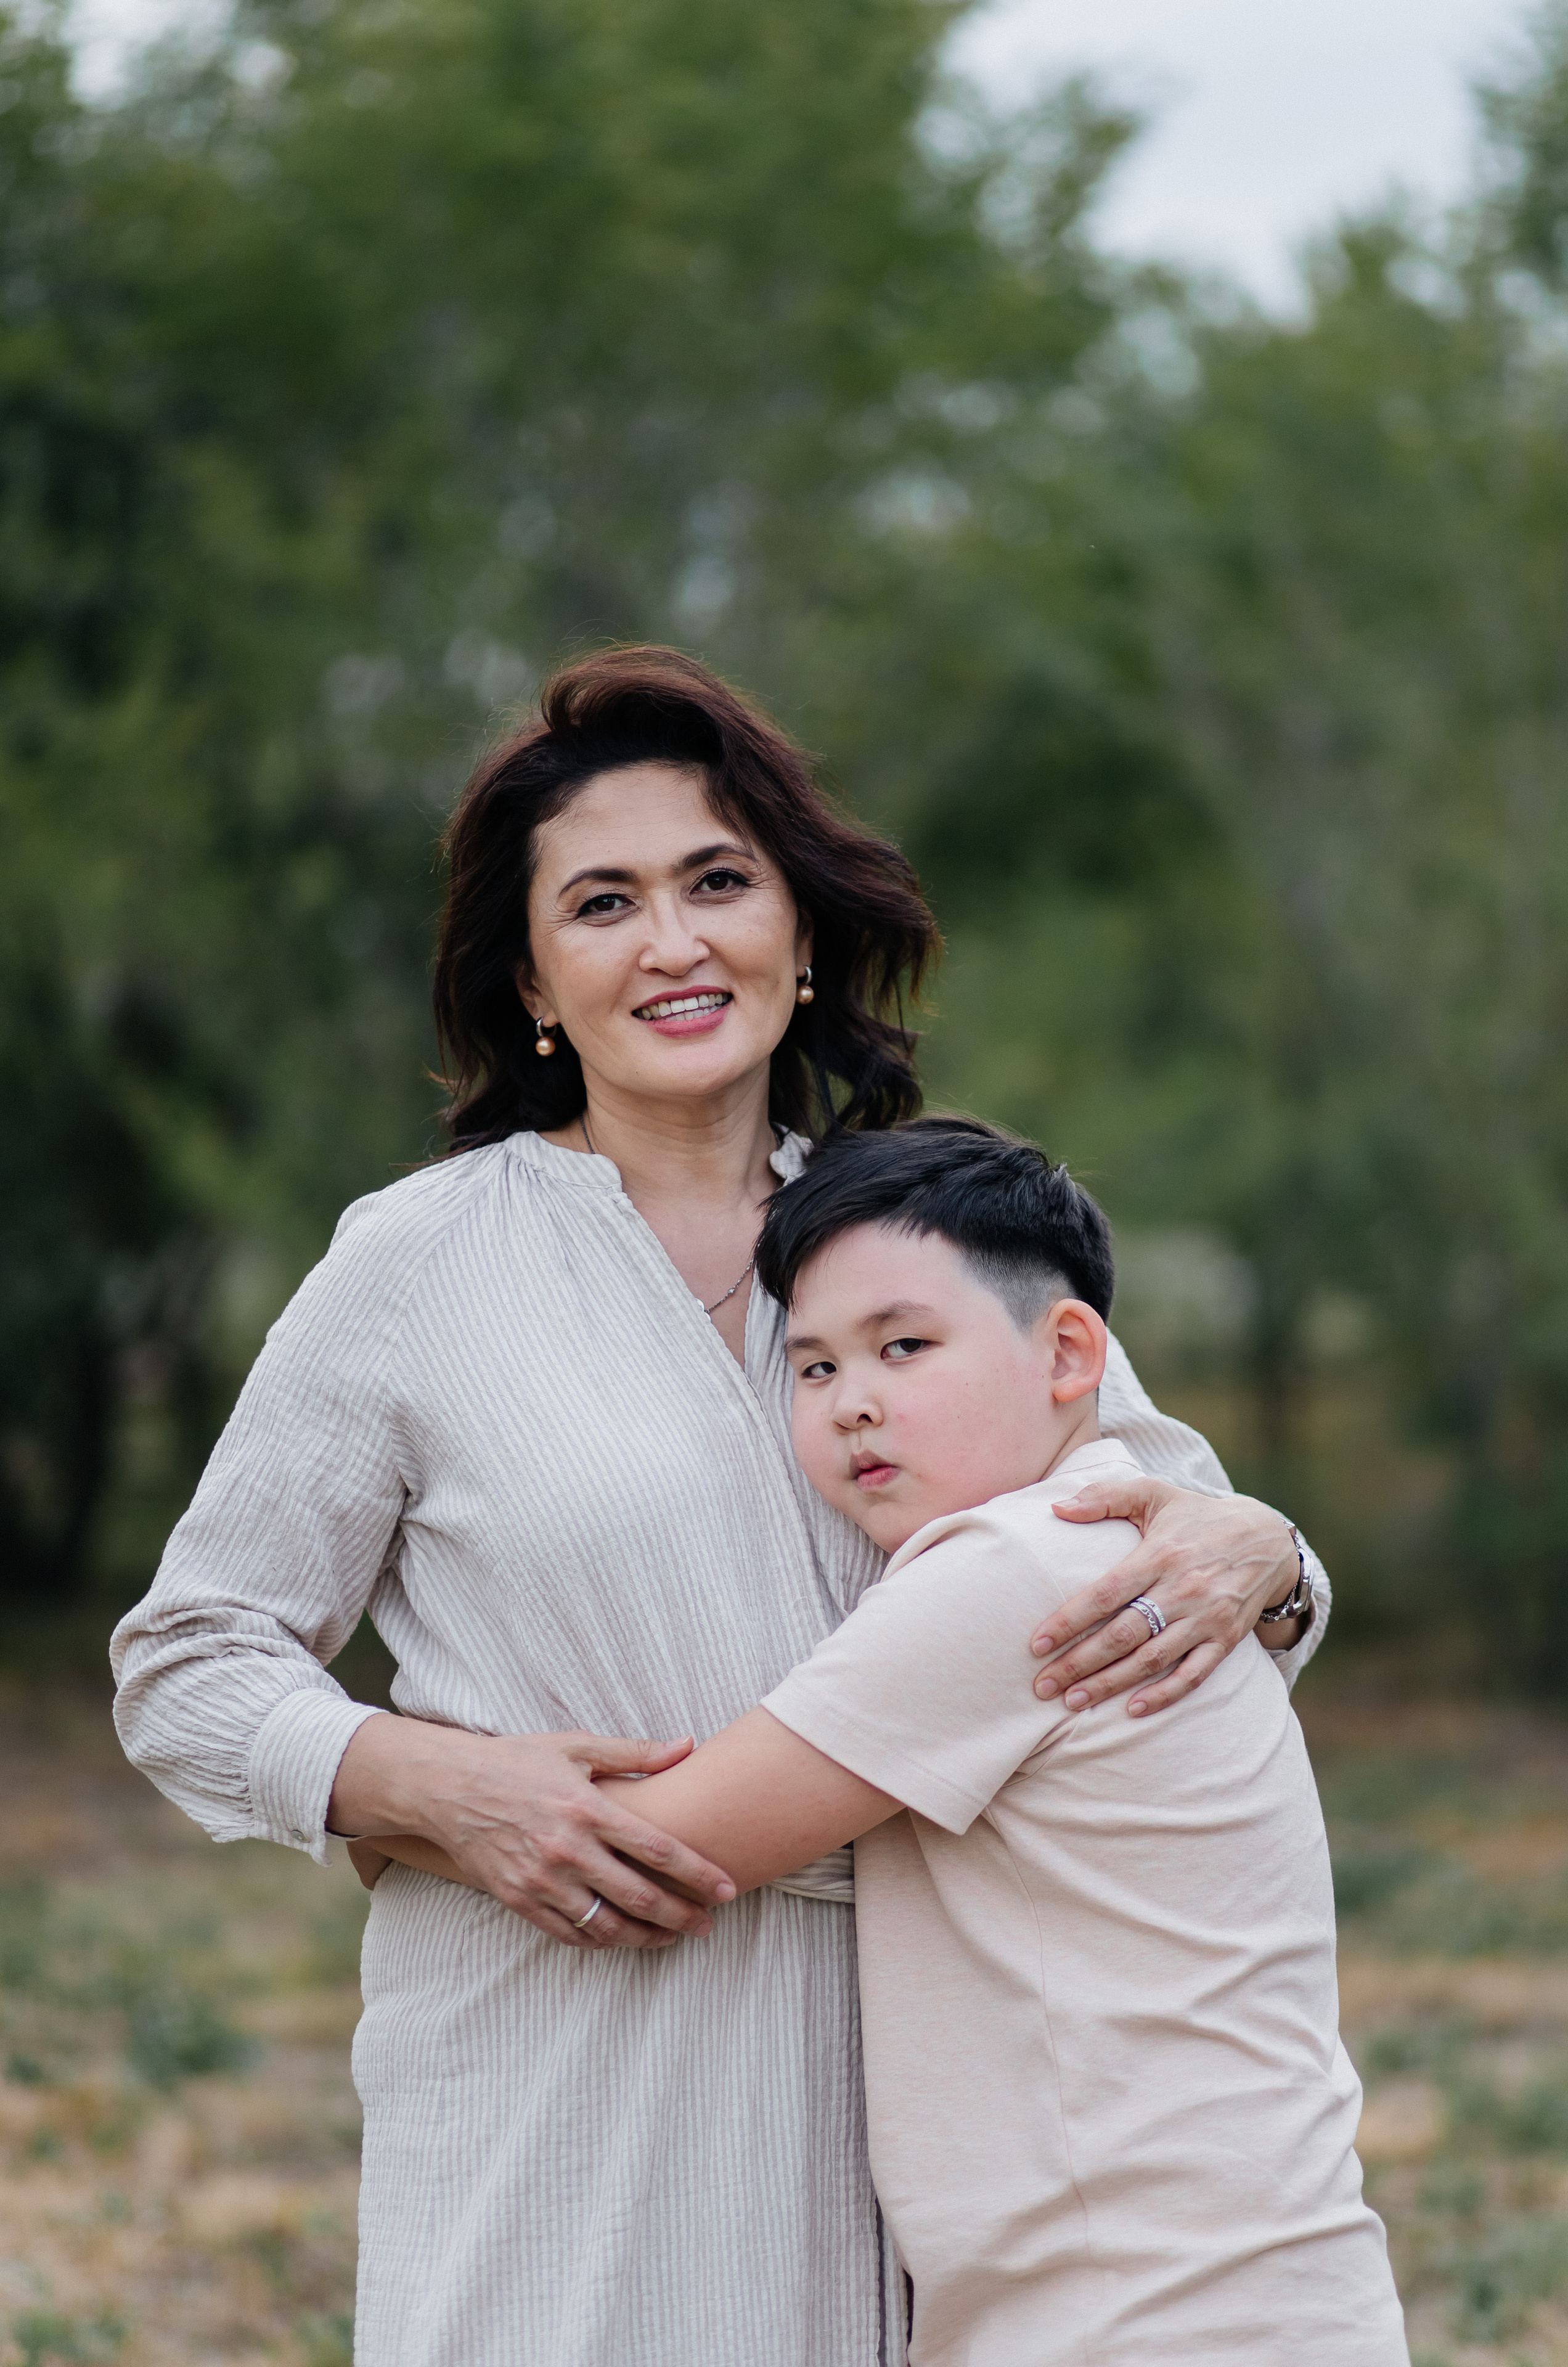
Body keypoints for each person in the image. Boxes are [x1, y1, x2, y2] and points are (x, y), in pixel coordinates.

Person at [110, 647, 1330, 2367]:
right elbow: (192, 1658)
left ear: (802, 933)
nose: (673, 943)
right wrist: (433, 1788)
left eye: (718, 882)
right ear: (532, 982)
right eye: (602, 903)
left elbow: (1171, 1527)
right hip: (561, 2038)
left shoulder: (900, 1241)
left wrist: (1272, 1552)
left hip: (919, 2050)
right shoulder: (418, 1266)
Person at [362, 1117, 1403, 2364]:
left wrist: (393, 1813)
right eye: (809, 1369)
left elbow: (656, 1846)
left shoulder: (1015, 1572)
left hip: (1153, 2313)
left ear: (1068, 1353)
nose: (854, 1403)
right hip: (1201, 2291)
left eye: (903, 1348)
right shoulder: (1107, 1545)